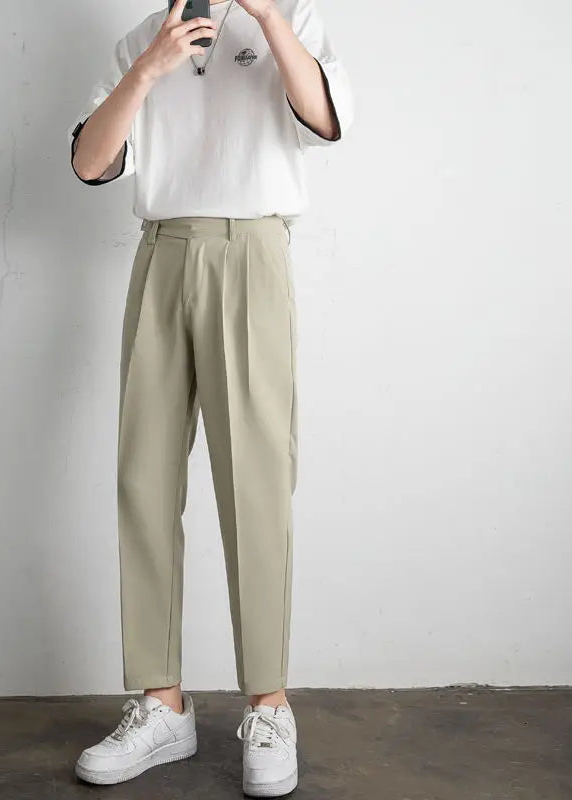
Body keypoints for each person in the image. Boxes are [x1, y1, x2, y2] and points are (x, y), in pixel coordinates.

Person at [69, 0, 353, 795]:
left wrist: (270, 21)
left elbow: (325, 120)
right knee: (144, 479)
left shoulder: (290, 17)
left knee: (255, 480)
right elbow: (90, 162)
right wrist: (148, 68)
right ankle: (162, 704)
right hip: (161, 250)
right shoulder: (141, 39)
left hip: (251, 249)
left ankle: (268, 704)